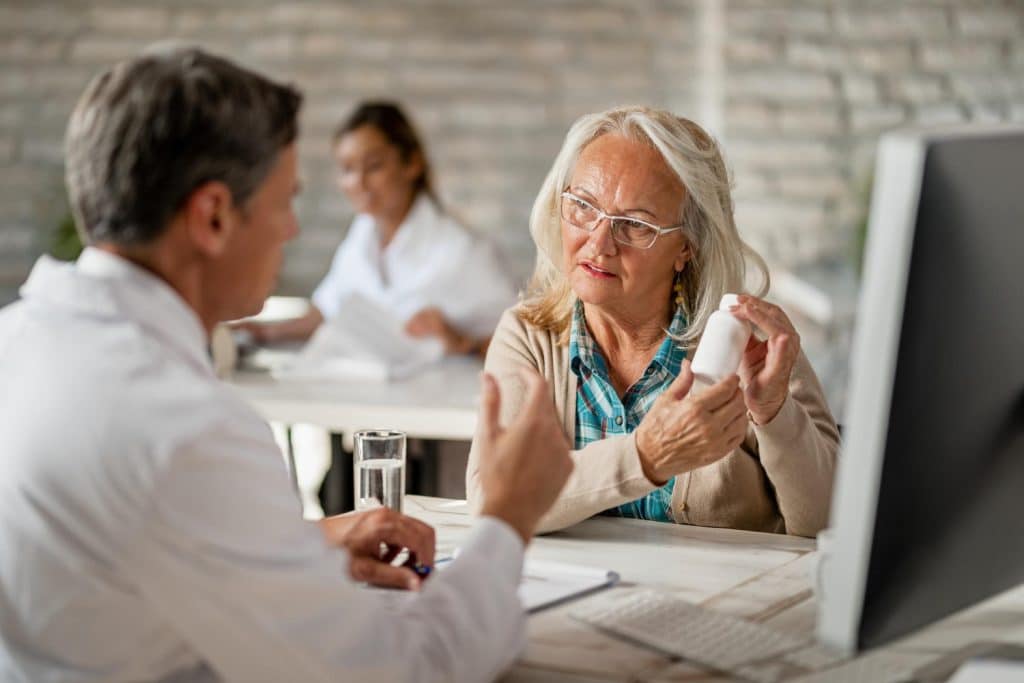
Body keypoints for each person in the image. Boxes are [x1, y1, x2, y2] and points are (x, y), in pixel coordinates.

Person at [0, 47, 573, 682]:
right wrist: (507, 520)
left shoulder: (15, 342)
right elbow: (406, 671)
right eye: (285, 201)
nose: (293, 230)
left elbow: (125, 550)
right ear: (214, 216)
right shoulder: (188, 429)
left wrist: (303, 545)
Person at [466, 106, 840, 537]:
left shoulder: (753, 348)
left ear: (687, 247)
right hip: (581, 600)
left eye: (635, 225)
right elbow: (495, 501)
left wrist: (776, 414)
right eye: (583, 206)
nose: (600, 243)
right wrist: (647, 456)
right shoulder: (529, 335)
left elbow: (830, 529)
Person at [238, 101, 516, 357]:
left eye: (373, 166)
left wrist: (464, 343)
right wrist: (259, 332)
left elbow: (528, 342)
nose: (358, 182)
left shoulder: (463, 251)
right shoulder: (361, 236)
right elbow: (327, 311)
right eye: (347, 169)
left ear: (412, 164)